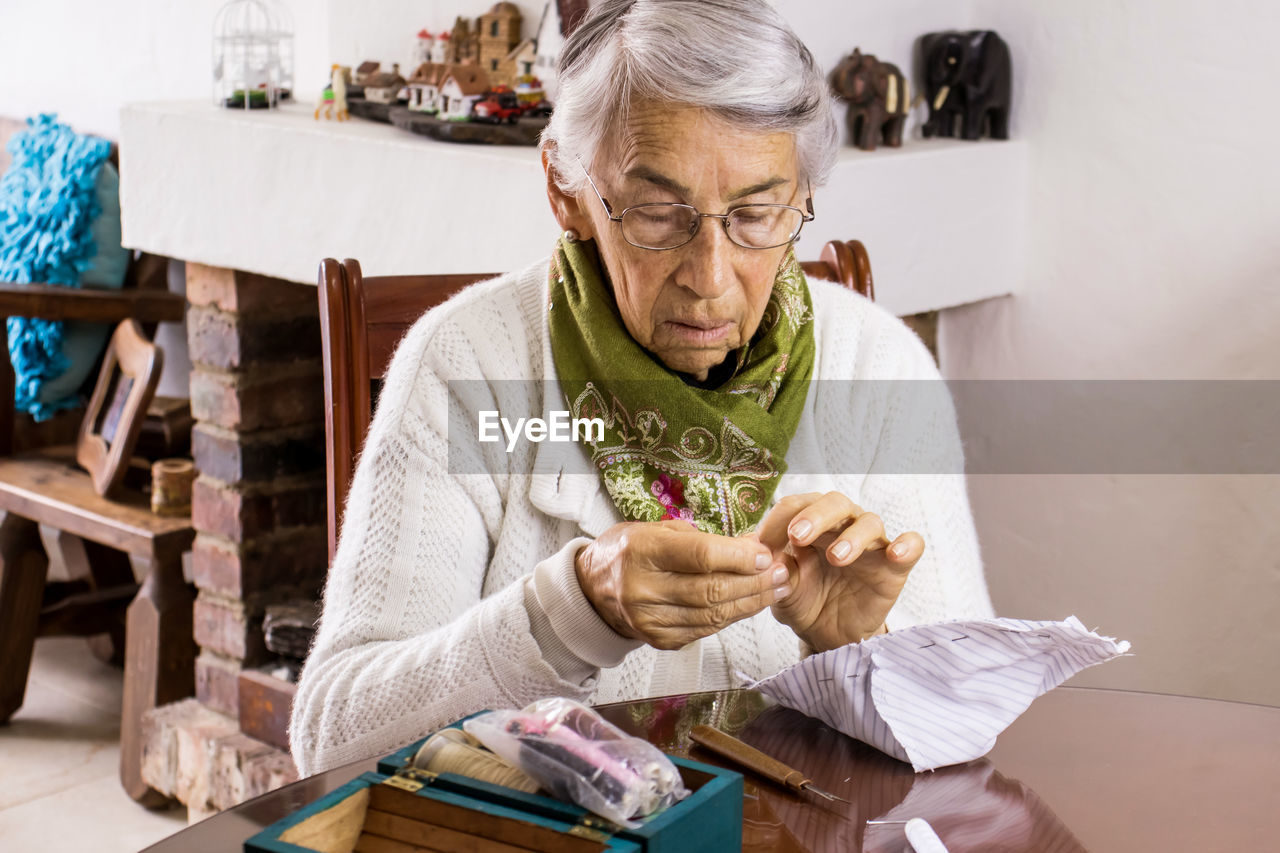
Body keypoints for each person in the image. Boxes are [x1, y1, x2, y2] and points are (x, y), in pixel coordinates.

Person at [290, 0, 993, 776]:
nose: (711, 279)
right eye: (658, 215)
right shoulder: (467, 369)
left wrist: (862, 650)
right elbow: (331, 737)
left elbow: (971, 734)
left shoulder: (881, 370)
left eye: (758, 214)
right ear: (568, 193)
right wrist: (570, 613)